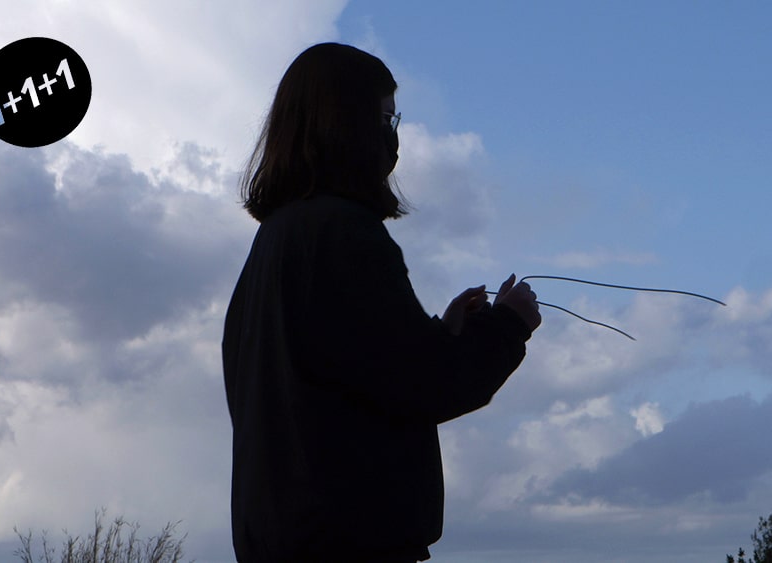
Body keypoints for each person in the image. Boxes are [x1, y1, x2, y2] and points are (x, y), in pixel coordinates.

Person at [222, 42, 541, 563]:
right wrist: (509, 324)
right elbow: (426, 385)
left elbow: (358, 371)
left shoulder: (278, 240)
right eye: (385, 118)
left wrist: (441, 334)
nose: (393, 137)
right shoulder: (344, 233)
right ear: (346, 124)